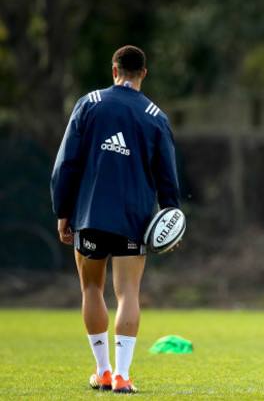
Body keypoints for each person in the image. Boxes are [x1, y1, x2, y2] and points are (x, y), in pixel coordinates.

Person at [51, 45, 181, 393]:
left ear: (114, 71)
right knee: (128, 293)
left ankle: (103, 371)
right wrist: (171, 222)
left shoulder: (89, 103)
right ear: (143, 74)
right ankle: (122, 376)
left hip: (90, 215)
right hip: (133, 220)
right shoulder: (155, 115)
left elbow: (65, 165)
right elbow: (168, 177)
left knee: (91, 288)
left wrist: (63, 212)